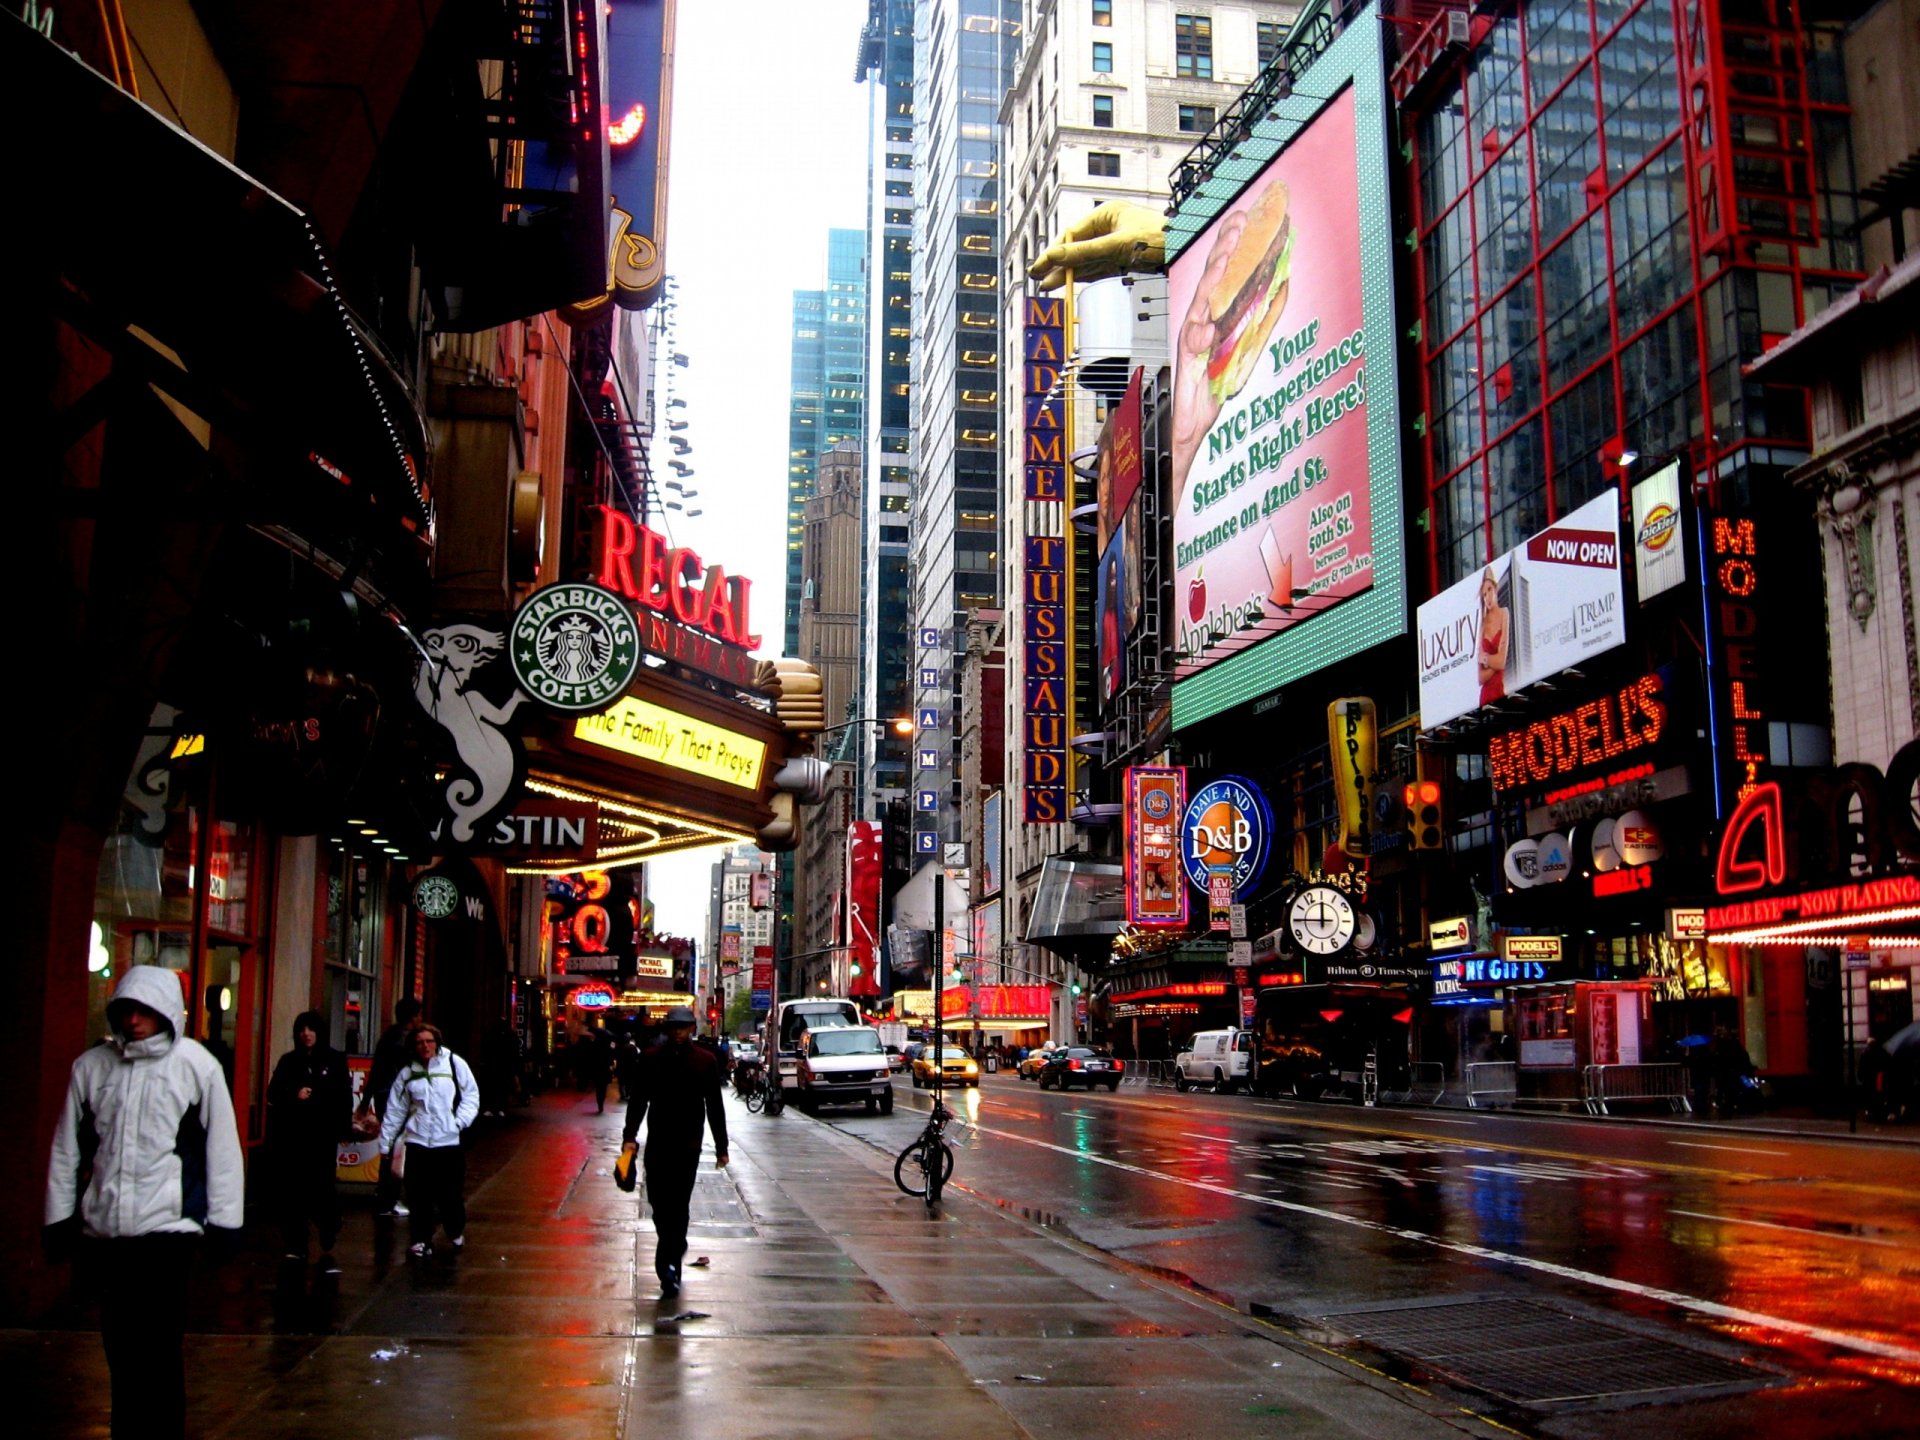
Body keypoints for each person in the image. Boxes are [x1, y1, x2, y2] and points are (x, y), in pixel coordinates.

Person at [44, 965, 244, 1440]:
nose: (133, 1020)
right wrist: (59, 1221)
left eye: (144, 1010)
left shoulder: (196, 1067)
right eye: (125, 1010)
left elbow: (223, 1150)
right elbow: (66, 1149)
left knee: (158, 1351)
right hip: (107, 1236)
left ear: (166, 1012)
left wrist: (224, 1225)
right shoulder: (91, 1068)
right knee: (120, 1348)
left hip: (166, 1234)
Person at [620, 1005, 728, 1297]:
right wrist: (629, 1137)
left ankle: (668, 1267)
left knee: (678, 1205)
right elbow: (638, 1101)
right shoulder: (651, 1060)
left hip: (688, 1145)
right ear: (667, 1029)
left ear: (691, 1028)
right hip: (658, 1143)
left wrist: (722, 1146)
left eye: (683, 1027)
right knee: (659, 1205)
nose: (678, 1032)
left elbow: (715, 1106)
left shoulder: (705, 1062)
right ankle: (674, 1248)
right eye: (673, 1027)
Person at [378, 1023, 480, 1258]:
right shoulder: (407, 1073)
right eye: (419, 1042)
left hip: (448, 1142)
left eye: (429, 1041)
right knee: (418, 1195)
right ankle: (421, 1239)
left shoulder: (454, 1064)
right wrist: (386, 1143)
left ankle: (454, 1229)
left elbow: (471, 1095)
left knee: (450, 1193)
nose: (425, 1046)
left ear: (437, 1042)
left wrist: (459, 1122)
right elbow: (396, 1109)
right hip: (418, 1142)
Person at [267, 1009, 352, 1272]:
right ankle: (295, 1244)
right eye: (302, 1030)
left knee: (322, 1185)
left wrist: (344, 1130)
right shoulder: (288, 1061)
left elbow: (343, 1097)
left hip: (322, 1136)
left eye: (310, 1029)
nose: (306, 1034)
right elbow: (273, 1093)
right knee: (294, 1190)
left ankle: (329, 1224)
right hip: (294, 1136)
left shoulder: (335, 1060)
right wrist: (294, 1094)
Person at [361, 996, 422, 1217]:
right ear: (413, 1017)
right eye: (418, 1015)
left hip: (383, 1096)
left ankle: (385, 1194)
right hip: (396, 1100)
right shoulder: (404, 1043)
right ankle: (389, 1198)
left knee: (390, 1146)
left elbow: (376, 1070)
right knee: (396, 1149)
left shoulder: (388, 1037)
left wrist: (366, 1100)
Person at [1476, 567, 1510, 706]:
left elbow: (1502, 661)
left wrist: (1485, 659)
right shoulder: (1482, 625)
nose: (1487, 597)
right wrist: (1494, 662)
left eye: (1489, 590)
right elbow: (1480, 678)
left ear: (1495, 589)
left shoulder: (1504, 613)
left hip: (1500, 689)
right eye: (1484, 594)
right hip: (1485, 695)